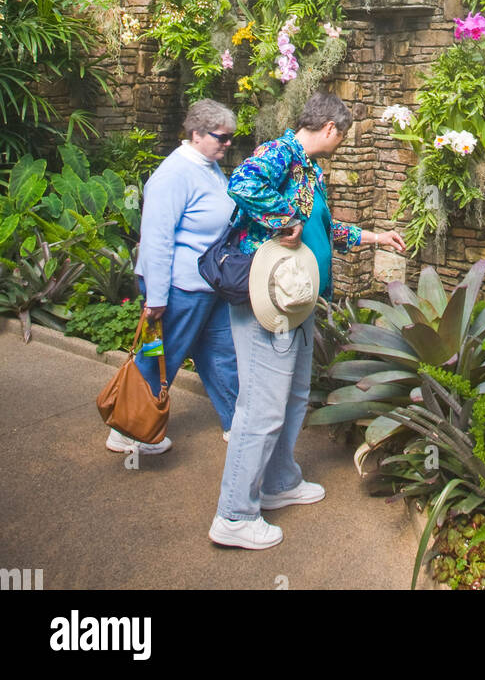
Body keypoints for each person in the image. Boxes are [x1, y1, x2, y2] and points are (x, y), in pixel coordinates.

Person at [209, 91, 407, 550]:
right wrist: (282, 217)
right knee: (260, 407)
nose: (340, 143)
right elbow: (240, 183)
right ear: (332, 129)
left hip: (298, 302)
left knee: (295, 395)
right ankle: (234, 515)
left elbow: (325, 229)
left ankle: (279, 482)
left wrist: (376, 235)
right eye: (343, 136)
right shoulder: (279, 153)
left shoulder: (310, 171)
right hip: (268, 303)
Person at [105, 99, 240, 457]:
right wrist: (157, 297)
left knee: (221, 353)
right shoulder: (173, 174)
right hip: (177, 289)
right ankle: (128, 429)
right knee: (160, 356)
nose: (228, 145)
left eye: (230, 139)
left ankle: (237, 423)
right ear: (196, 133)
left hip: (209, 286)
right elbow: (156, 239)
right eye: (222, 138)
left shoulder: (207, 165)